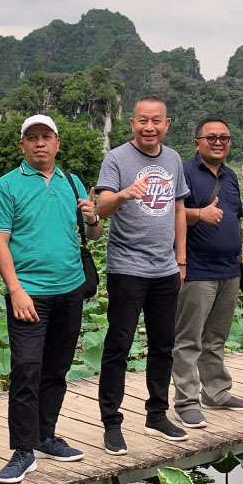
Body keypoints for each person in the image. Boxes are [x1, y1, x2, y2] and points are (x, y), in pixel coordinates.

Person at [0, 114, 104, 484]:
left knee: (57, 368)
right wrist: (16, 290)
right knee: (26, 368)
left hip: (70, 289)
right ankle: (22, 450)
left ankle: (44, 435)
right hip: (29, 293)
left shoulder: (73, 182)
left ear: (57, 143)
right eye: (32, 138)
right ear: (22, 145)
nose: (40, 143)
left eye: (46, 137)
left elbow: (95, 235)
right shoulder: (6, 186)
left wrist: (93, 216)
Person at [94, 95, 190, 455]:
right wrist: (123, 194)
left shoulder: (173, 158)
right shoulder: (117, 158)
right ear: (132, 123)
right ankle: (111, 423)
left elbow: (179, 208)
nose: (149, 127)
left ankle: (157, 412)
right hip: (127, 269)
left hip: (165, 270)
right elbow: (101, 209)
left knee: (164, 345)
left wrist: (181, 260)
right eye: (142, 121)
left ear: (167, 124)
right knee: (118, 346)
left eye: (156, 121)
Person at [172, 118, 243, 430]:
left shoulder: (232, 177)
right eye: (211, 138)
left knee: (216, 337)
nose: (218, 142)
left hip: (229, 270)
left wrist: (239, 253)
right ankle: (186, 402)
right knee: (189, 340)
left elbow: (236, 218)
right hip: (197, 270)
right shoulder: (183, 172)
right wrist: (198, 214)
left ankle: (216, 392)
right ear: (197, 143)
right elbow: (170, 213)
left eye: (224, 137)